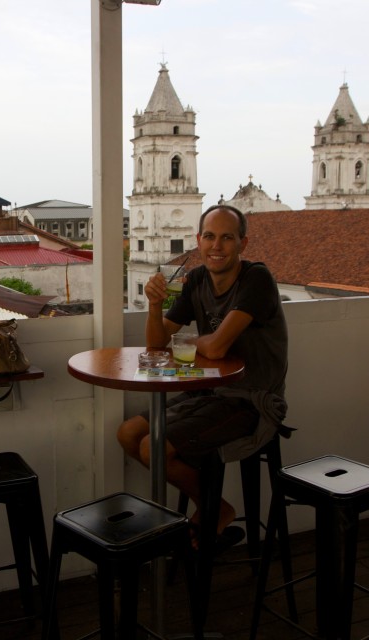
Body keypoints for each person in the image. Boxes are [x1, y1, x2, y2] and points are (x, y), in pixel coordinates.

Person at [117, 204, 288, 549]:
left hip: (251, 399)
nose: (217, 246)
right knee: (128, 433)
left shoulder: (256, 279)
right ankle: (214, 505)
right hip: (208, 393)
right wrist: (153, 306)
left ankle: (214, 510)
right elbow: (156, 343)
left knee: (153, 447)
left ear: (243, 242)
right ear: (198, 239)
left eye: (227, 237)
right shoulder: (196, 279)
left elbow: (218, 348)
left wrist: (191, 342)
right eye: (209, 236)